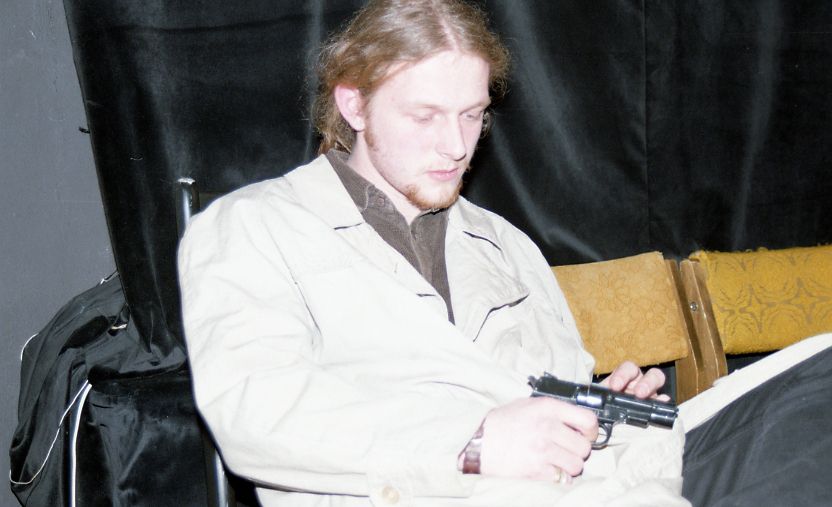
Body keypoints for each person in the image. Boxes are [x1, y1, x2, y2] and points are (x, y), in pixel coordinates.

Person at [178, 1, 832, 506]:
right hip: (431, 492)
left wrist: (595, 408)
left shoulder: (502, 243)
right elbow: (255, 416)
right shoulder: (253, 228)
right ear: (353, 104)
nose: (456, 145)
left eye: (473, 115)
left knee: (816, 392)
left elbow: (544, 393)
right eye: (425, 116)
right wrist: (473, 444)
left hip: (597, 484)